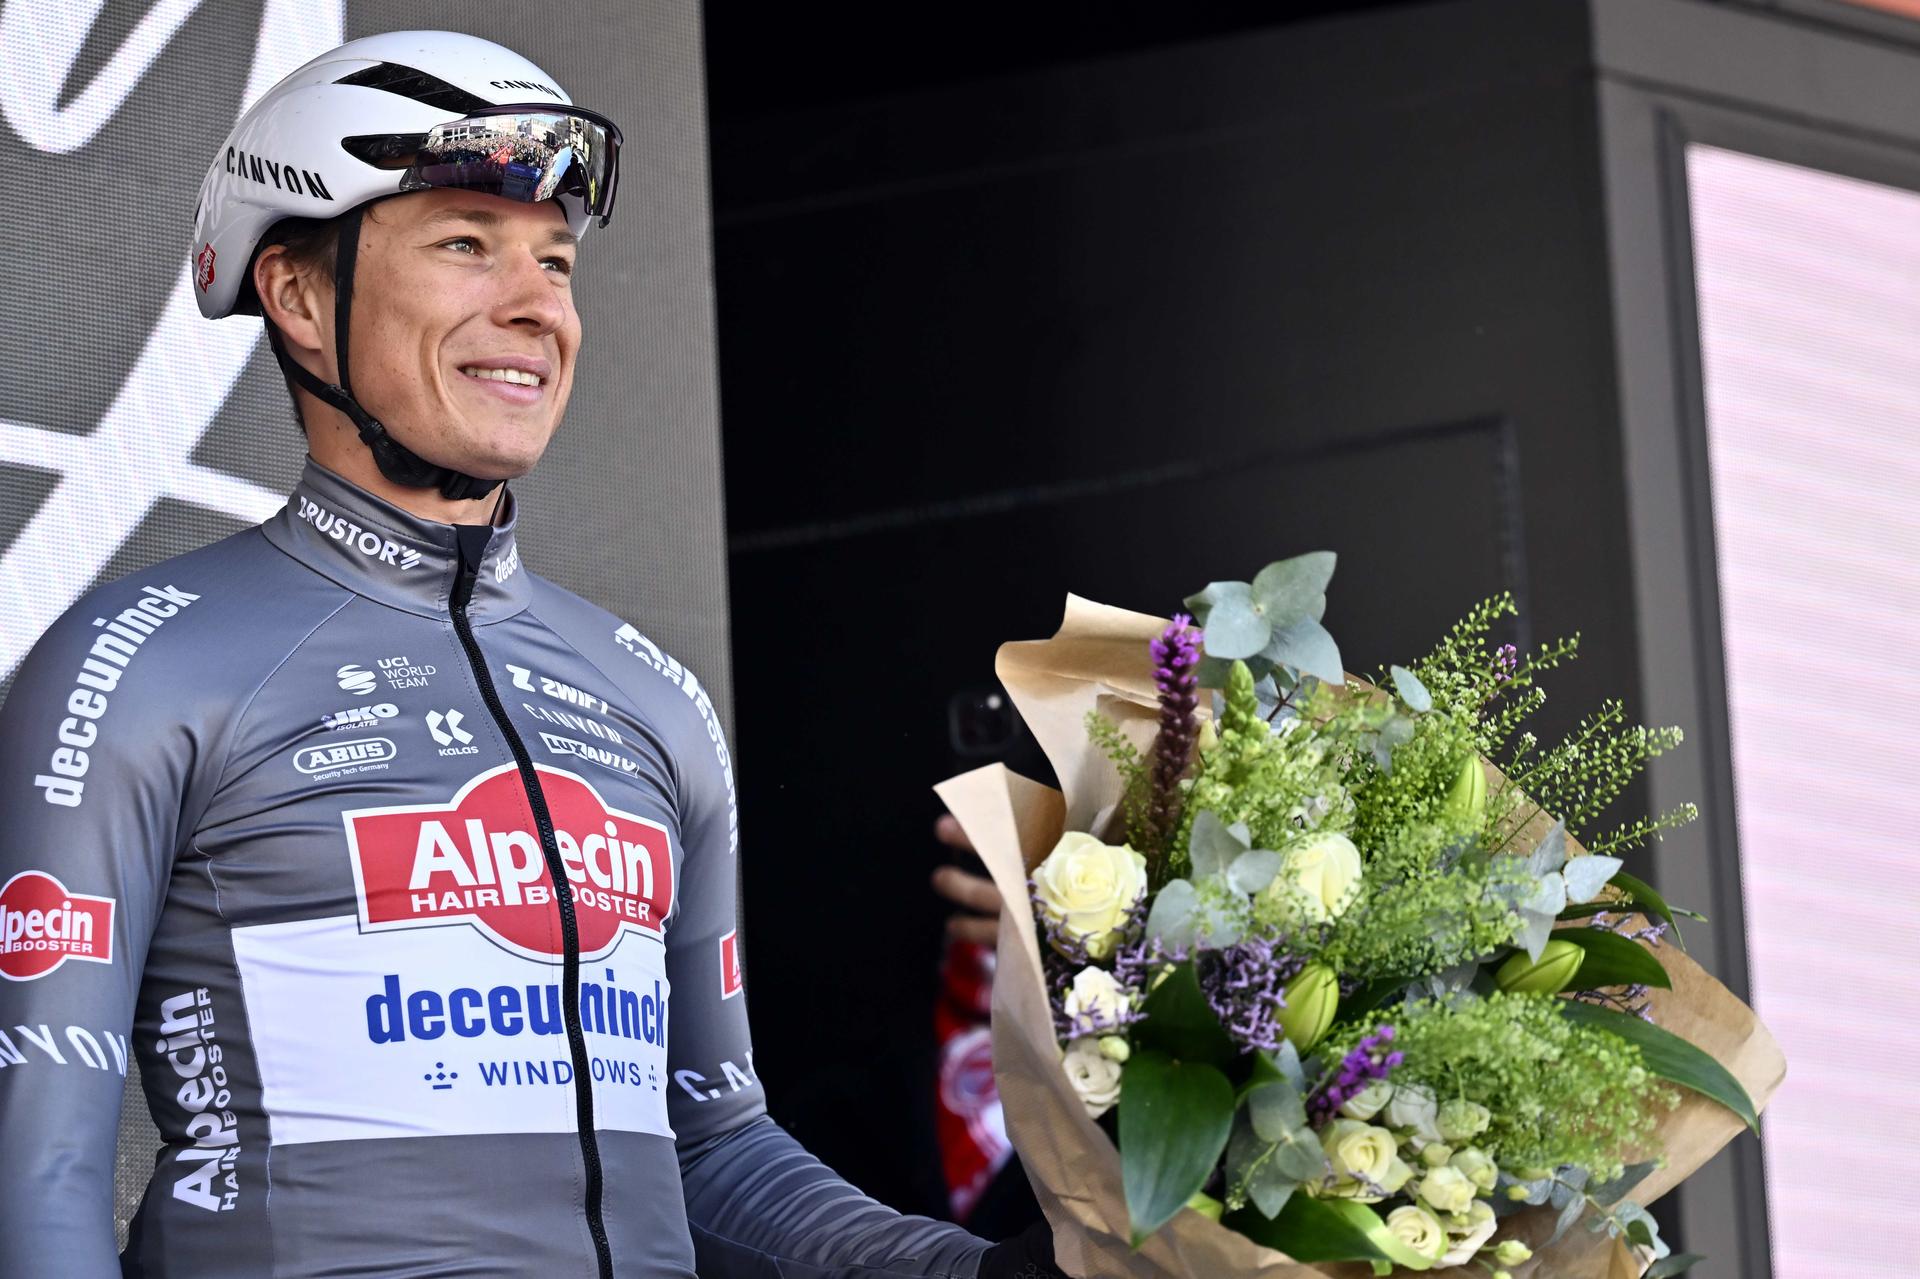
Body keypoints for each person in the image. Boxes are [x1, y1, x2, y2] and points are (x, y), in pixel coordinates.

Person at [0, 31, 1061, 1278]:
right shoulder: (138, 662)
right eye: (467, 244)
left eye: (556, 259)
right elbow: (39, 1176)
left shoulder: (653, 697)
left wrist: (982, 1272)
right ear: (297, 296)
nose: (538, 305)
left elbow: (714, 1146)